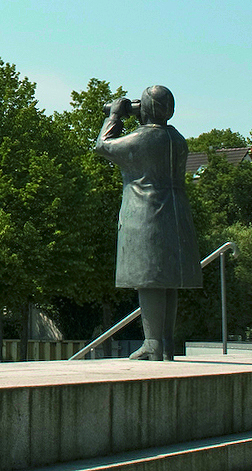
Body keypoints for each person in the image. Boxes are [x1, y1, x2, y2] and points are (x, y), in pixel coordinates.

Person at [95, 85, 200, 361]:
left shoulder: (144, 139)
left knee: (150, 279)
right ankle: (165, 342)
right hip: (175, 215)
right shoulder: (177, 140)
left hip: (146, 214)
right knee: (167, 281)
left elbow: (102, 146)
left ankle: (152, 343)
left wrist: (115, 116)